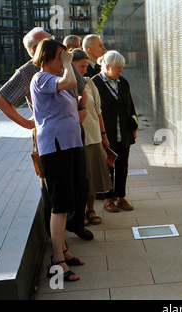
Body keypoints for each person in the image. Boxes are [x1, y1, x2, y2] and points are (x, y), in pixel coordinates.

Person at [0, 27, 93, 241]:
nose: (53, 44)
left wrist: (83, 108)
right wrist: (28, 123)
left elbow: (82, 90)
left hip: (73, 130)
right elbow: (0, 100)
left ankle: (76, 224)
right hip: (52, 137)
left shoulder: (60, 62)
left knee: (81, 178)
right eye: (46, 42)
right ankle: (57, 239)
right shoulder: (28, 72)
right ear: (34, 50)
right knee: (53, 189)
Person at [31, 38, 85, 282]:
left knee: (68, 198)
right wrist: (68, 62)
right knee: (60, 202)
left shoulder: (53, 81)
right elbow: (71, 81)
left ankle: (62, 249)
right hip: (56, 148)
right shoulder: (41, 78)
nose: (65, 60)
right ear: (48, 57)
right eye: (60, 56)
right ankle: (57, 260)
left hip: (69, 145)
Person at [92, 50, 138, 212]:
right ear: (107, 65)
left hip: (123, 133)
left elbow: (130, 106)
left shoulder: (122, 82)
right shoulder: (94, 83)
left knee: (122, 167)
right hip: (106, 133)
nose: (121, 70)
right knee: (107, 167)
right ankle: (107, 199)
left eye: (121, 67)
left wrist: (133, 128)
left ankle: (121, 197)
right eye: (118, 67)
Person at [71, 48, 111, 224]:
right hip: (75, 140)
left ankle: (91, 209)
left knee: (94, 176)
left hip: (94, 136)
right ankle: (78, 213)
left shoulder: (89, 82)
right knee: (79, 179)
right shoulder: (63, 85)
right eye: (81, 66)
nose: (84, 70)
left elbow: (98, 111)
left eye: (86, 66)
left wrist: (103, 135)